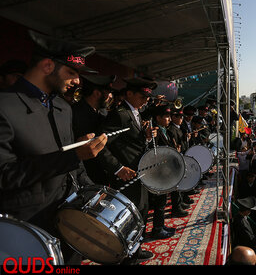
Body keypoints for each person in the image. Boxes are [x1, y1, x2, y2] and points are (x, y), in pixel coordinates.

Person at [0, 30, 108, 264]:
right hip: (27, 232)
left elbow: (74, 160)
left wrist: (92, 190)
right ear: (48, 65)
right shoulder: (4, 107)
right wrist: (73, 157)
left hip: (69, 225)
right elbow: (4, 175)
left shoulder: (62, 108)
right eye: (72, 72)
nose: (78, 81)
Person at [95, 76, 158, 262]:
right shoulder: (119, 114)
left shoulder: (138, 113)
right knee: (128, 219)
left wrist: (146, 137)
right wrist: (117, 168)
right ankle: (126, 256)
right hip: (126, 177)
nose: (146, 99)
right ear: (129, 93)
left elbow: (133, 144)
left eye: (148, 96)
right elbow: (101, 145)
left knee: (142, 213)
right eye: (142, 95)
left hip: (140, 174)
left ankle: (136, 250)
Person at [71, 74, 116, 185]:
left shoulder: (103, 113)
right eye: (108, 92)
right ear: (96, 93)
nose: (110, 96)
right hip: (85, 177)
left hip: (102, 174)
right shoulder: (75, 113)